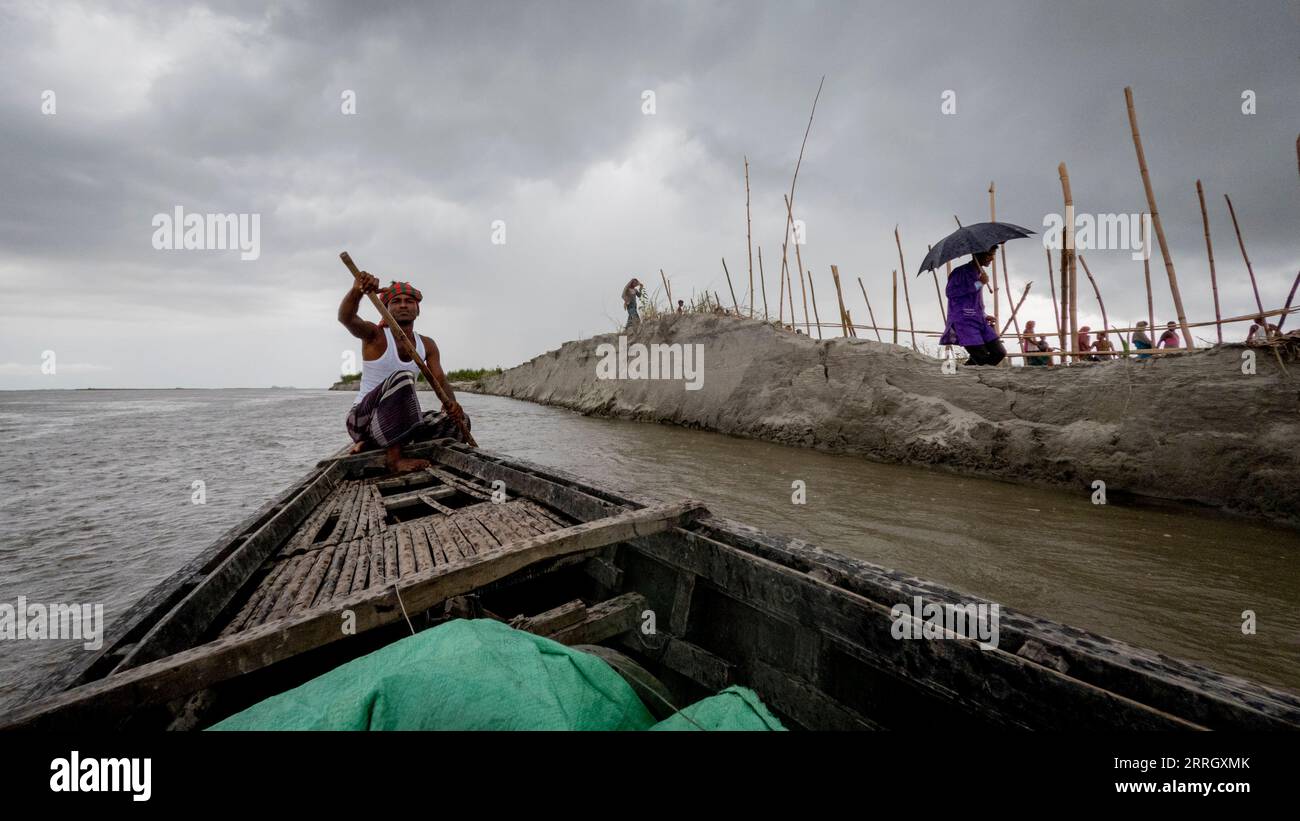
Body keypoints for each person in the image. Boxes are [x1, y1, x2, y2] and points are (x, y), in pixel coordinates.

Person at [338, 273, 470, 474]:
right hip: (363, 421)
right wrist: (357, 291)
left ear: (417, 310)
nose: (403, 305)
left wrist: (450, 406)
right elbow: (346, 318)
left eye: (409, 301)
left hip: (396, 426)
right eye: (396, 301)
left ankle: (374, 445)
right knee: (403, 377)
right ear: (387, 308)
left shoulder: (427, 344)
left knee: (460, 422)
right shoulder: (375, 335)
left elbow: (440, 380)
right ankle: (394, 459)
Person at [939, 248, 1006, 365]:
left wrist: (984, 315)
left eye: (993, 255)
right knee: (982, 358)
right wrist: (979, 283)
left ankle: (967, 370)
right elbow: (951, 293)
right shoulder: (959, 272)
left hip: (979, 320)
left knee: (999, 352)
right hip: (964, 322)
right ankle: (973, 376)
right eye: (990, 254)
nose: (992, 258)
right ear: (979, 254)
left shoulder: (979, 273)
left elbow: (972, 301)